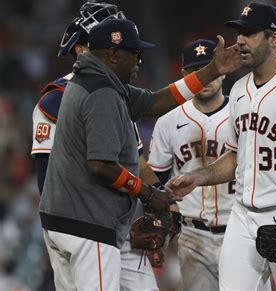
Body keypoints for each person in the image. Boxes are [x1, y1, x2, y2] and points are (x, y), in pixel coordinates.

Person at [38, 16, 241, 290]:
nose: (139, 60)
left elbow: (157, 101)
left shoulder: (99, 81)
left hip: (77, 220)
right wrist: (148, 194)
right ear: (112, 54)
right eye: (134, 53)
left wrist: (212, 70)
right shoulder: (101, 92)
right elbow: (100, 165)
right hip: (87, 223)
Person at [165, 3, 276, 290]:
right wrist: (197, 177)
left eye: (249, 33)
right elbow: (235, 157)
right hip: (243, 215)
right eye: (239, 33)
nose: (240, 41)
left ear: (274, 38)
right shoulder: (238, 89)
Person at [32, 3, 162, 290]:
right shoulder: (55, 100)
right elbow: (47, 178)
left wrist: (156, 206)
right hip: (80, 223)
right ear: (82, 49)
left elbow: (136, 161)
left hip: (115, 222)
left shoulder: (115, 92)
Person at [148, 39, 235, 291]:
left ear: (223, 69)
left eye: (209, 68)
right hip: (192, 234)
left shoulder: (243, 112)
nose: (205, 78)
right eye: (196, 71)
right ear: (185, 76)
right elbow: (157, 180)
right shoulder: (167, 121)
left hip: (240, 229)